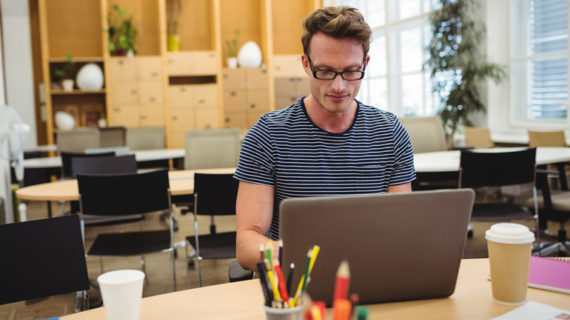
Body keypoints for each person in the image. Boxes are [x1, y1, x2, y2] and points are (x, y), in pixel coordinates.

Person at [234, 6, 416, 270]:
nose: (339, 86)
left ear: (365, 64)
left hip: (371, 277)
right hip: (297, 282)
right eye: (326, 71)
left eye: (351, 71)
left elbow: (402, 229)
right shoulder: (267, 136)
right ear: (306, 64)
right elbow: (247, 244)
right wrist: (315, 257)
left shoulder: (390, 134)